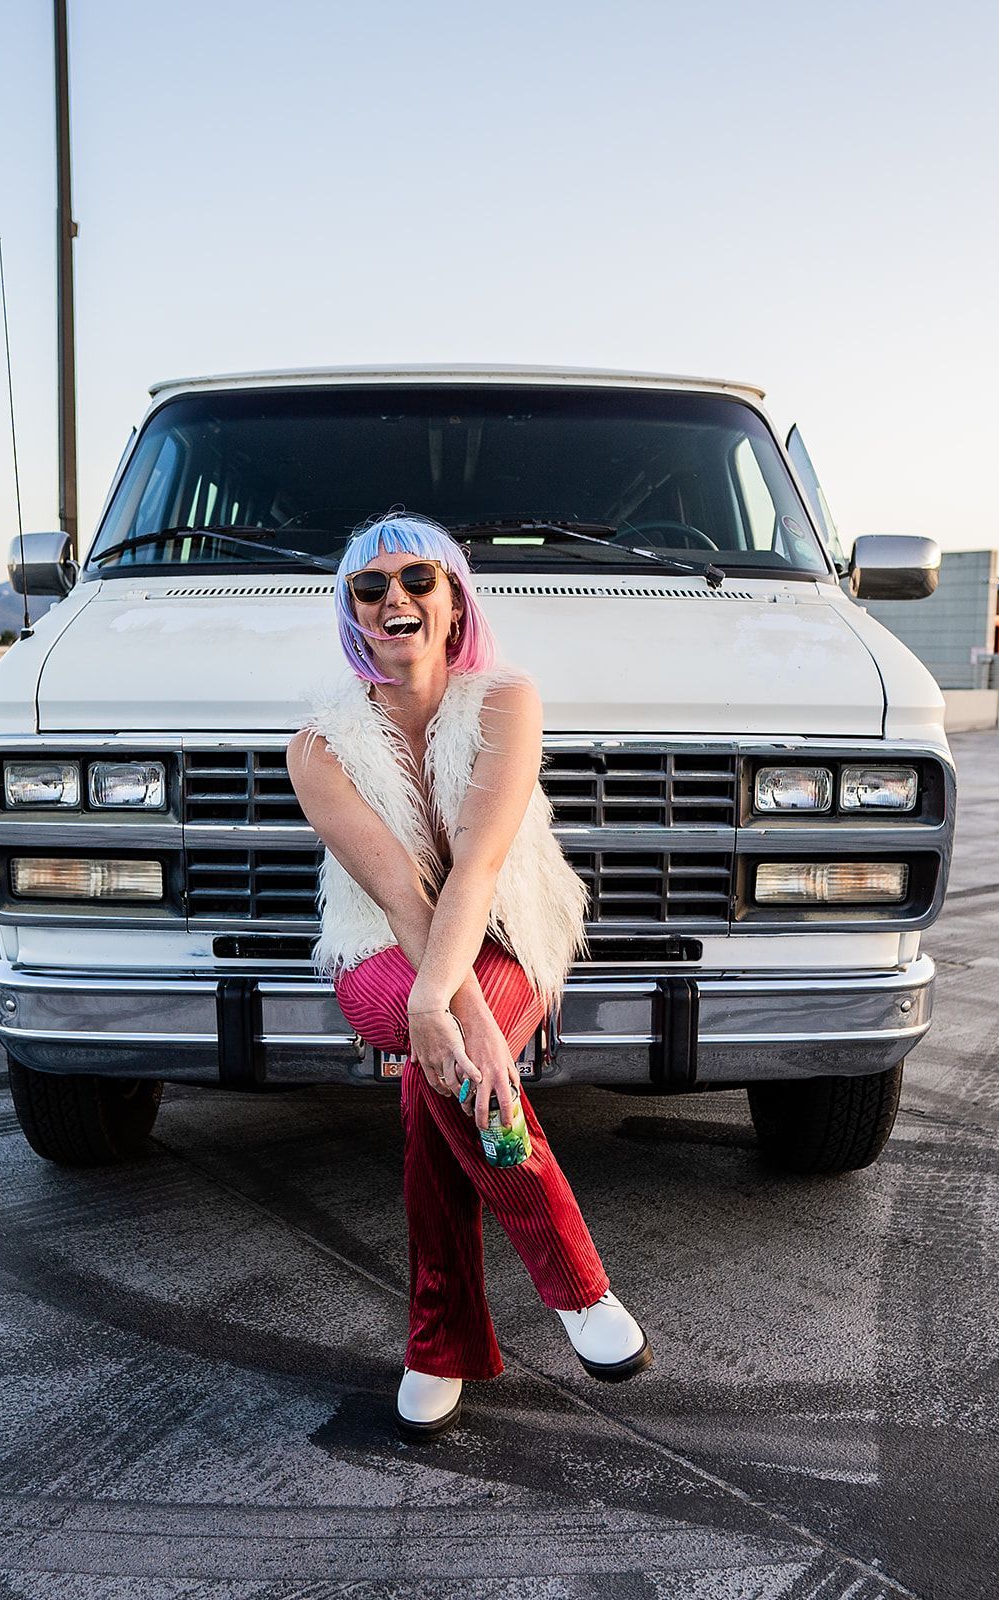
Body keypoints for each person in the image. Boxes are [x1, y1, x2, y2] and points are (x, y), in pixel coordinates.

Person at [287, 512, 652, 1440]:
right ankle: (577, 1291)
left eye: (418, 580)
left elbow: (479, 868)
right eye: (370, 588)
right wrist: (442, 1009)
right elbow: (402, 896)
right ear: (351, 611)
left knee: (430, 1078)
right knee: (442, 1054)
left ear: (453, 601)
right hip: (378, 940)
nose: (394, 599)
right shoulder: (318, 747)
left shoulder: (504, 701)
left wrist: (448, 1014)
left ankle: (436, 1343)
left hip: (507, 927)